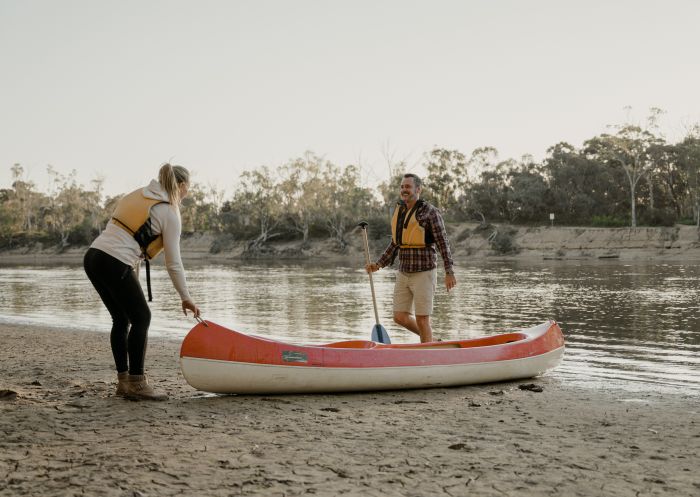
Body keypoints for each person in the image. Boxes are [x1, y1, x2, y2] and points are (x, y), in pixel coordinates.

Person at [84, 163, 201, 401]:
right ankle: (137, 383)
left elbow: (124, 235)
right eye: (188, 188)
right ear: (180, 186)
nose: (187, 192)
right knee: (142, 318)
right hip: (114, 261)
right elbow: (174, 263)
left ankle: (124, 382)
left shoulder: (137, 194)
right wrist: (186, 297)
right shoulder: (169, 211)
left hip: (93, 257)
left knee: (121, 318)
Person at [366, 173, 456, 343]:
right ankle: (432, 341)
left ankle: (428, 357)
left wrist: (449, 271)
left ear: (418, 189)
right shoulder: (399, 211)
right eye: (402, 187)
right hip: (403, 272)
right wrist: (378, 264)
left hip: (424, 272)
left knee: (423, 319)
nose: (404, 190)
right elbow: (396, 243)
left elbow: (443, 243)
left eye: (407, 187)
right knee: (399, 316)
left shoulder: (430, 212)